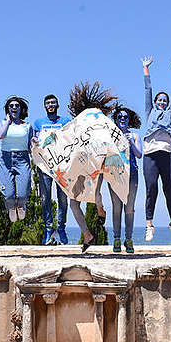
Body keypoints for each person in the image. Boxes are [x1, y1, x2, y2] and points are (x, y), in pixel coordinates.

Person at [141, 56, 171, 242]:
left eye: (164, 100)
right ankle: (149, 225)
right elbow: (147, 90)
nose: (162, 102)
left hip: (167, 154)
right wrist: (146, 69)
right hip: (150, 155)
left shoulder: (170, 113)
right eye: (159, 100)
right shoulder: (149, 112)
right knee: (151, 188)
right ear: (154, 102)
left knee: (170, 187)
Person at [65, 82, 115, 252]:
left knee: (95, 194)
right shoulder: (76, 124)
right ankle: (87, 234)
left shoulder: (102, 123)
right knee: (74, 203)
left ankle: (100, 210)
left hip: (95, 164)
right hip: (78, 166)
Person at [32, 94, 71, 245]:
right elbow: (33, 141)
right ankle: (49, 229)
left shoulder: (65, 121)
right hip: (44, 166)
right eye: (48, 103)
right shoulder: (38, 123)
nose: (51, 105)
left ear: (58, 105)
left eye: (53, 102)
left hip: (62, 166)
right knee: (45, 198)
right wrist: (34, 140)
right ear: (44, 106)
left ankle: (61, 228)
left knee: (63, 199)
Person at [108, 104, 142, 253]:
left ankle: (128, 239)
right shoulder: (110, 135)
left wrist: (131, 142)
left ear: (130, 120)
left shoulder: (135, 135)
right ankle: (116, 239)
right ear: (115, 119)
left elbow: (140, 154)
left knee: (129, 209)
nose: (123, 119)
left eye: (125, 117)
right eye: (119, 117)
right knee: (116, 209)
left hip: (132, 174)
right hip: (115, 175)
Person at [0, 95, 32, 222]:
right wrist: (7, 121)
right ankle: (11, 208)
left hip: (22, 159)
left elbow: (30, 147)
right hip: (5, 159)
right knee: (9, 195)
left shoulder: (27, 126)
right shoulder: (3, 123)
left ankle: (21, 206)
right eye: (11, 106)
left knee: (23, 194)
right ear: (8, 109)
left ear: (21, 109)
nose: (14, 108)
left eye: (17, 106)